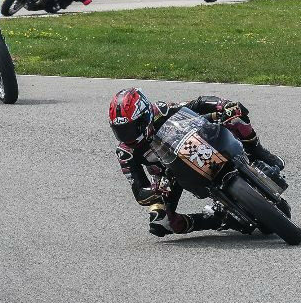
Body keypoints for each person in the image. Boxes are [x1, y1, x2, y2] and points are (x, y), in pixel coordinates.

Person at [108, 88, 288, 237]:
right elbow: (139, 191)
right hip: (167, 177)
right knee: (160, 223)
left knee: (234, 114)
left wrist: (222, 105)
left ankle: (259, 152)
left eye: (131, 129)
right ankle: (216, 218)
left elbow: (197, 104)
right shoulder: (125, 153)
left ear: (144, 116)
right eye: (120, 131)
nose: (127, 136)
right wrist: (154, 191)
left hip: (194, 143)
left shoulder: (160, 111)